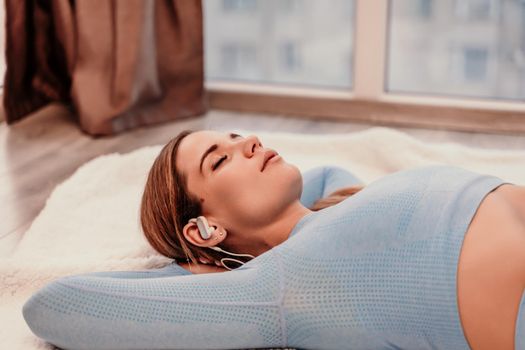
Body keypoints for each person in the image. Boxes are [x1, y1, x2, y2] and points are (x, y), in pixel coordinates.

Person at [23, 130, 525, 350]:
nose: (248, 143)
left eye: (238, 135)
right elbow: (52, 306)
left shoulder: (330, 212)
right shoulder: (275, 286)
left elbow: (327, 175)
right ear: (205, 228)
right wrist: (199, 266)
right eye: (218, 160)